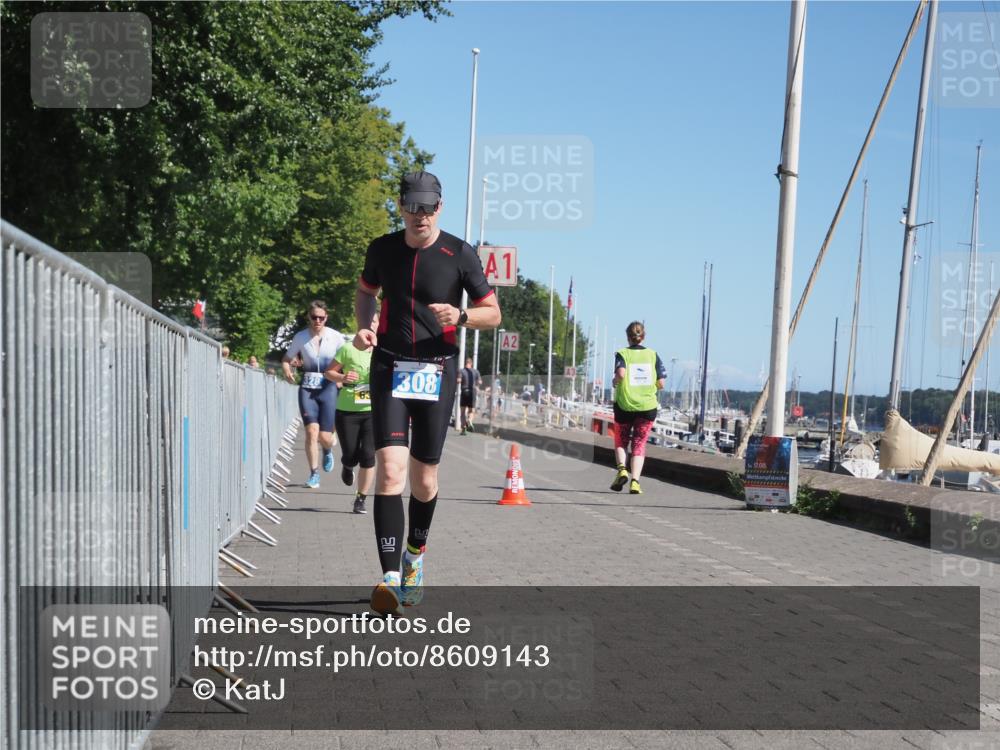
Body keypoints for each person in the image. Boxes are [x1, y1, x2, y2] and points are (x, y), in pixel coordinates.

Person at [354, 171, 501, 615]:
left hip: (438, 369)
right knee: (390, 472)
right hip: (390, 366)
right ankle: (389, 580)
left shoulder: (460, 253)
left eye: (429, 207)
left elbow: (493, 313)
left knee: (424, 480)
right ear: (401, 206)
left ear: (440, 207)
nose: (421, 215)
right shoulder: (382, 249)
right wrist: (364, 326)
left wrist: (461, 316)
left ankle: (414, 557)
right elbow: (366, 291)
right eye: (413, 206)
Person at [283, 301, 346, 489]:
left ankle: (327, 449)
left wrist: (341, 377)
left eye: (321, 318)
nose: (317, 321)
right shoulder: (301, 337)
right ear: (309, 318)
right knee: (311, 431)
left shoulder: (336, 337)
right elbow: (286, 359)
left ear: (326, 318)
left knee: (325, 437)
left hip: (329, 388)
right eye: (314, 317)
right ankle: (314, 473)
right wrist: (287, 371)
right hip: (307, 389)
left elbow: (346, 359)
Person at [610, 321, 666, 495]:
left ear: (628, 337)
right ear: (644, 336)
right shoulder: (653, 355)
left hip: (625, 405)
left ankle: (622, 470)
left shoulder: (622, 353)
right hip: (647, 407)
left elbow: (621, 374)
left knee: (621, 440)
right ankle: (635, 482)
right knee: (639, 443)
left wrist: (615, 381)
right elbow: (661, 383)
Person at [325, 325, 376, 514]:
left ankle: (360, 499)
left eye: (376, 323)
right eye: (370, 324)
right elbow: (329, 373)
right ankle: (347, 464)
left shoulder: (383, 351)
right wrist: (343, 377)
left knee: (368, 455)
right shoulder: (348, 348)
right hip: (347, 410)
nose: (372, 328)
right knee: (351, 454)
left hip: (373, 411)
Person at [458, 357, 481, 434]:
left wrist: (460, 381)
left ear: (466, 363)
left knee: (462, 412)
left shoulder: (461, 371)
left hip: (464, 391)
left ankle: (464, 427)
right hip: (472, 392)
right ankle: (470, 421)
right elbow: (480, 382)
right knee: (471, 410)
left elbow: (459, 380)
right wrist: (476, 385)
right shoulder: (476, 371)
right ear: (471, 364)